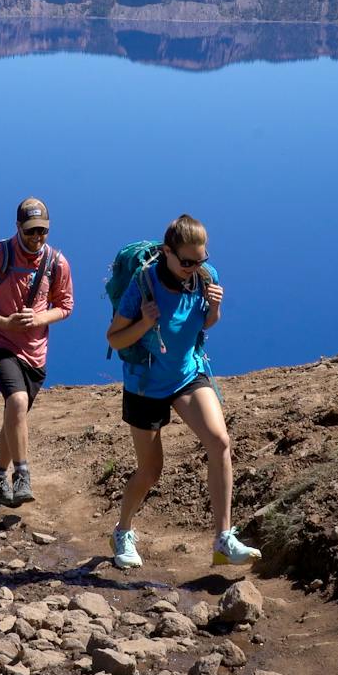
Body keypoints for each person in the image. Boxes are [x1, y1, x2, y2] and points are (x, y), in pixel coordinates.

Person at [106, 214, 261, 569]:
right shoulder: (143, 284)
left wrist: (216, 306)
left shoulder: (206, 277)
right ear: (167, 253)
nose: (194, 267)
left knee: (220, 442)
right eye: (187, 261)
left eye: (200, 260)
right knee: (150, 472)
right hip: (145, 385)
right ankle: (122, 532)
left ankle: (223, 539)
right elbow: (114, 338)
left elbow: (205, 323)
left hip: (188, 374)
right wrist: (145, 322)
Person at [0, 197, 74, 506]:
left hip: (35, 353)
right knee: (17, 400)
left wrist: (40, 318)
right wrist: (2, 322)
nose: (37, 238)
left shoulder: (56, 263)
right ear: (18, 228)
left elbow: (65, 305)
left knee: (16, 415)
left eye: (42, 231)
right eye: (31, 232)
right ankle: (21, 474)